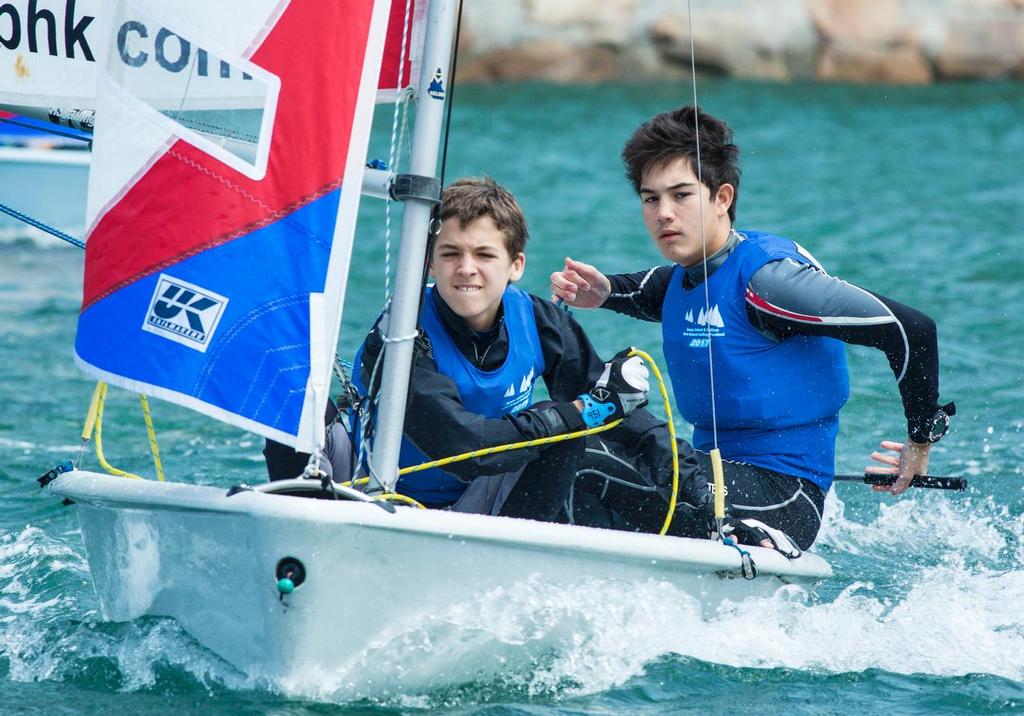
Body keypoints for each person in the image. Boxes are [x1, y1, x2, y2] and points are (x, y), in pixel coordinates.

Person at [549, 106, 954, 550]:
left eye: (681, 195)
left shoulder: (770, 285)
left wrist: (920, 444)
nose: (664, 213)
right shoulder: (686, 276)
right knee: (565, 440)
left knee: (583, 462)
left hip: (783, 496)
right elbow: (652, 292)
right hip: (711, 477)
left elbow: (909, 328)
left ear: (722, 198)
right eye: (651, 199)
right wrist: (604, 292)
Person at [350, 176, 725, 538]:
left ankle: (712, 532)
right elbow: (461, 446)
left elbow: (624, 416)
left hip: (470, 504)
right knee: (564, 430)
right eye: (450, 254)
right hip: (377, 502)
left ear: (516, 265)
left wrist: (704, 496)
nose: (466, 268)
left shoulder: (536, 319)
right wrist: (579, 412)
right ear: (430, 263)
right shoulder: (400, 331)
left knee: (586, 444)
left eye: (484, 254)